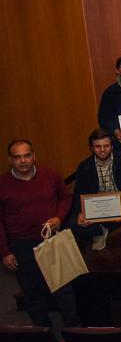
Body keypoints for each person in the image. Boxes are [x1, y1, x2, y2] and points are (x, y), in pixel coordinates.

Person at [0, 140, 80, 327]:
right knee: (32, 291)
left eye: (26, 155)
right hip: (22, 245)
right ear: (9, 160)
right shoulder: (2, 184)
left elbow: (66, 198)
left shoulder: (50, 175)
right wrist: (5, 252)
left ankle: (73, 328)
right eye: (17, 157)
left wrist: (59, 218)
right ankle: (44, 332)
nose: (23, 161)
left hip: (52, 241)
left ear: (33, 156)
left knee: (64, 288)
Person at [71, 128, 121, 250]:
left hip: (120, 205)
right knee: (74, 223)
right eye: (98, 146)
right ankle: (99, 231)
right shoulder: (84, 167)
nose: (103, 150)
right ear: (91, 148)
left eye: (106, 146)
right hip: (97, 208)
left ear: (112, 146)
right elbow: (79, 192)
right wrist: (80, 212)